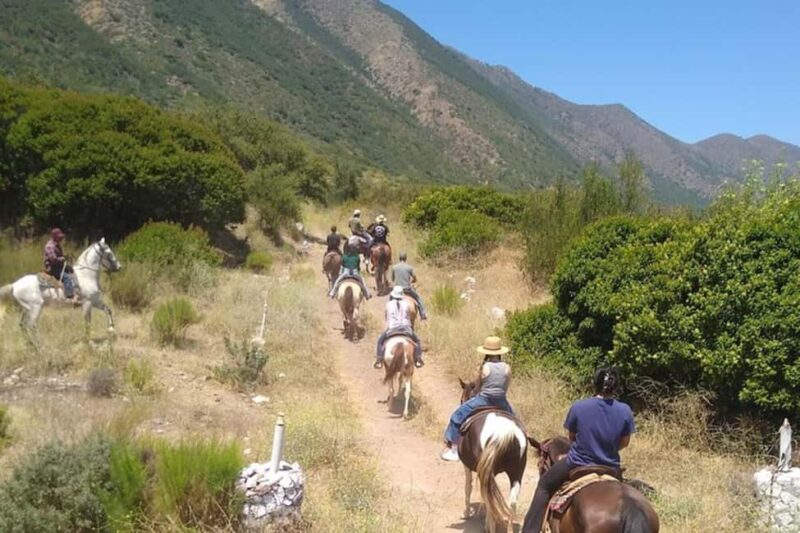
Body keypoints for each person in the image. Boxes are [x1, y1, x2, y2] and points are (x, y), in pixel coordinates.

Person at [521, 367, 635, 533]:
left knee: (544, 486)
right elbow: (624, 443)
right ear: (616, 387)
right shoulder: (625, 410)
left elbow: (572, 437)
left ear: (593, 385)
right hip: (611, 467)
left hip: (576, 462)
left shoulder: (579, 407)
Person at [440, 336, 514, 461]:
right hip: (502, 401)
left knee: (456, 416)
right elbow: (506, 386)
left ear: (486, 352)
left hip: (484, 400)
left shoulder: (484, 368)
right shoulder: (507, 368)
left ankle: (454, 449)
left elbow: (477, 386)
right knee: (516, 421)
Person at [374, 286, 424, 369]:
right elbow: (408, 317)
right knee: (417, 341)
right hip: (406, 329)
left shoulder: (388, 304)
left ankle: (379, 360)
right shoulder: (406, 304)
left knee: (380, 341)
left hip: (392, 329)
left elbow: (387, 318)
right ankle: (418, 359)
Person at [43, 227, 78, 303]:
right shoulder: (50, 246)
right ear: (55, 236)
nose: (61, 239)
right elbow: (53, 259)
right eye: (59, 237)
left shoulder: (57, 245)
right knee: (67, 278)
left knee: (73, 271)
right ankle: (69, 298)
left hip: (59, 265)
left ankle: (76, 292)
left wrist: (64, 257)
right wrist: (63, 258)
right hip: (53, 267)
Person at [391, 252, 427, 320]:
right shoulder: (409, 267)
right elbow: (415, 279)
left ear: (399, 258)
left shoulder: (394, 267)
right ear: (405, 258)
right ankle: (423, 313)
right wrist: (411, 282)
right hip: (407, 289)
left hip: (397, 290)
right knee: (418, 298)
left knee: (390, 300)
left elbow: (392, 279)